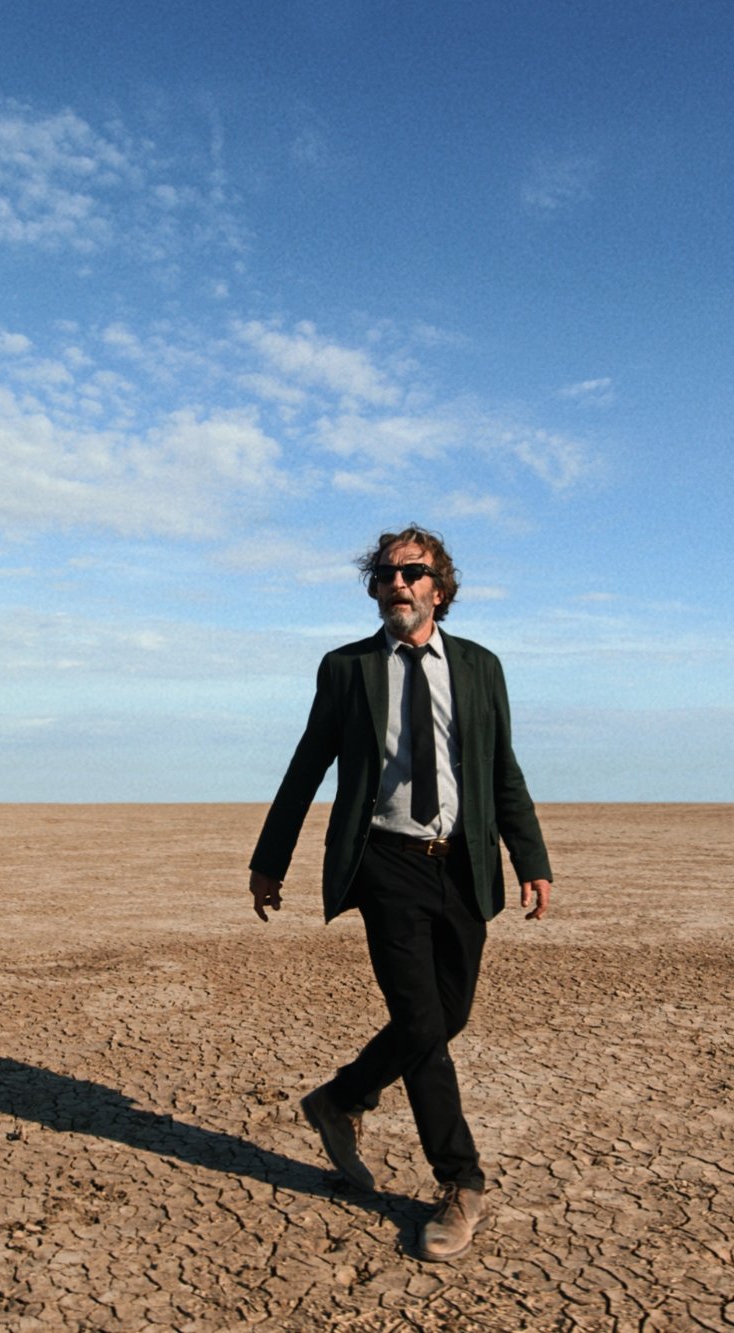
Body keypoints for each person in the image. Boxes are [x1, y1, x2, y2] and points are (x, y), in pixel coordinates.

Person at [248, 525, 554, 1264]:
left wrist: (530, 857)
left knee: (447, 1014)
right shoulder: (348, 668)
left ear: (438, 589)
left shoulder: (480, 668)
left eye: (412, 572)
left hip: (462, 864)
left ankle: (341, 1097)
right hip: (386, 861)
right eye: (385, 573)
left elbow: (500, 770)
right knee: (420, 1019)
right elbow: (307, 765)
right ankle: (460, 1181)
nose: (397, 583)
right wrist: (270, 857)